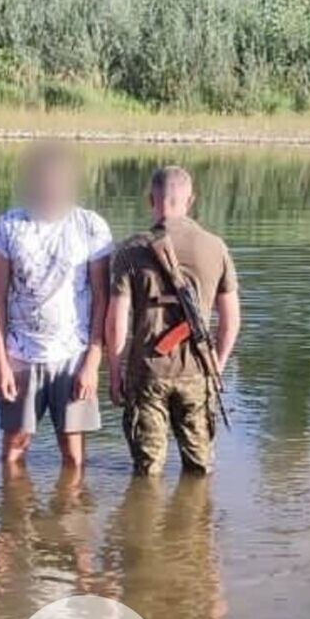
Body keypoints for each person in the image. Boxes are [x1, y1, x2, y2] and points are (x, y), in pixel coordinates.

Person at [0, 142, 114, 476]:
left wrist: (93, 363)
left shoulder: (90, 226)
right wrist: (1, 364)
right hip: (21, 354)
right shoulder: (9, 226)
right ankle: (13, 519)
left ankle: (69, 525)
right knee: (14, 449)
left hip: (73, 354)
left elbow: (103, 297)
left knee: (73, 456)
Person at [106, 166, 241, 476]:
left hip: (147, 374)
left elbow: (116, 322)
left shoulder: (130, 251)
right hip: (197, 372)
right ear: (190, 200)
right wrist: (216, 365)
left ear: (149, 200)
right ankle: (194, 522)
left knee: (147, 471)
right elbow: (231, 320)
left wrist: (115, 371)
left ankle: (145, 520)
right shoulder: (215, 247)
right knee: (199, 470)